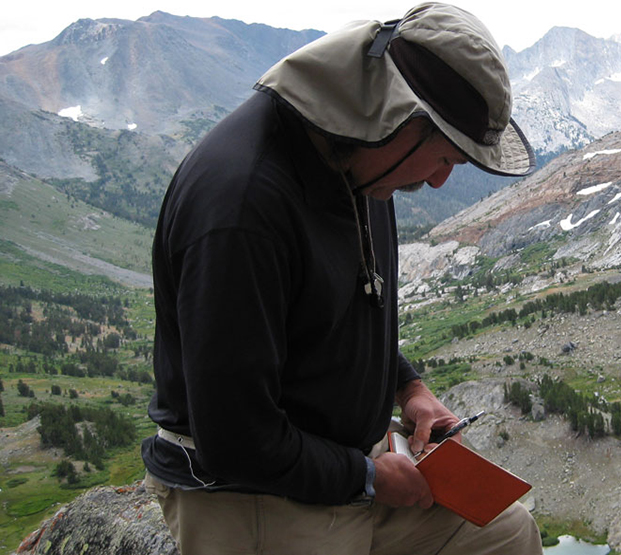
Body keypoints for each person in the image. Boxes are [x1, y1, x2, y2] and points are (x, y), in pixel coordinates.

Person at [141, 3, 540, 554]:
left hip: (349, 465)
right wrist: (369, 479)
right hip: (252, 493)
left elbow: (345, 308)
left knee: (507, 534)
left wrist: (410, 388)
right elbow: (236, 438)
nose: (442, 181)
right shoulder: (242, 204)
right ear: (399, 115)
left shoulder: (361, 160)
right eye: (445, 156)